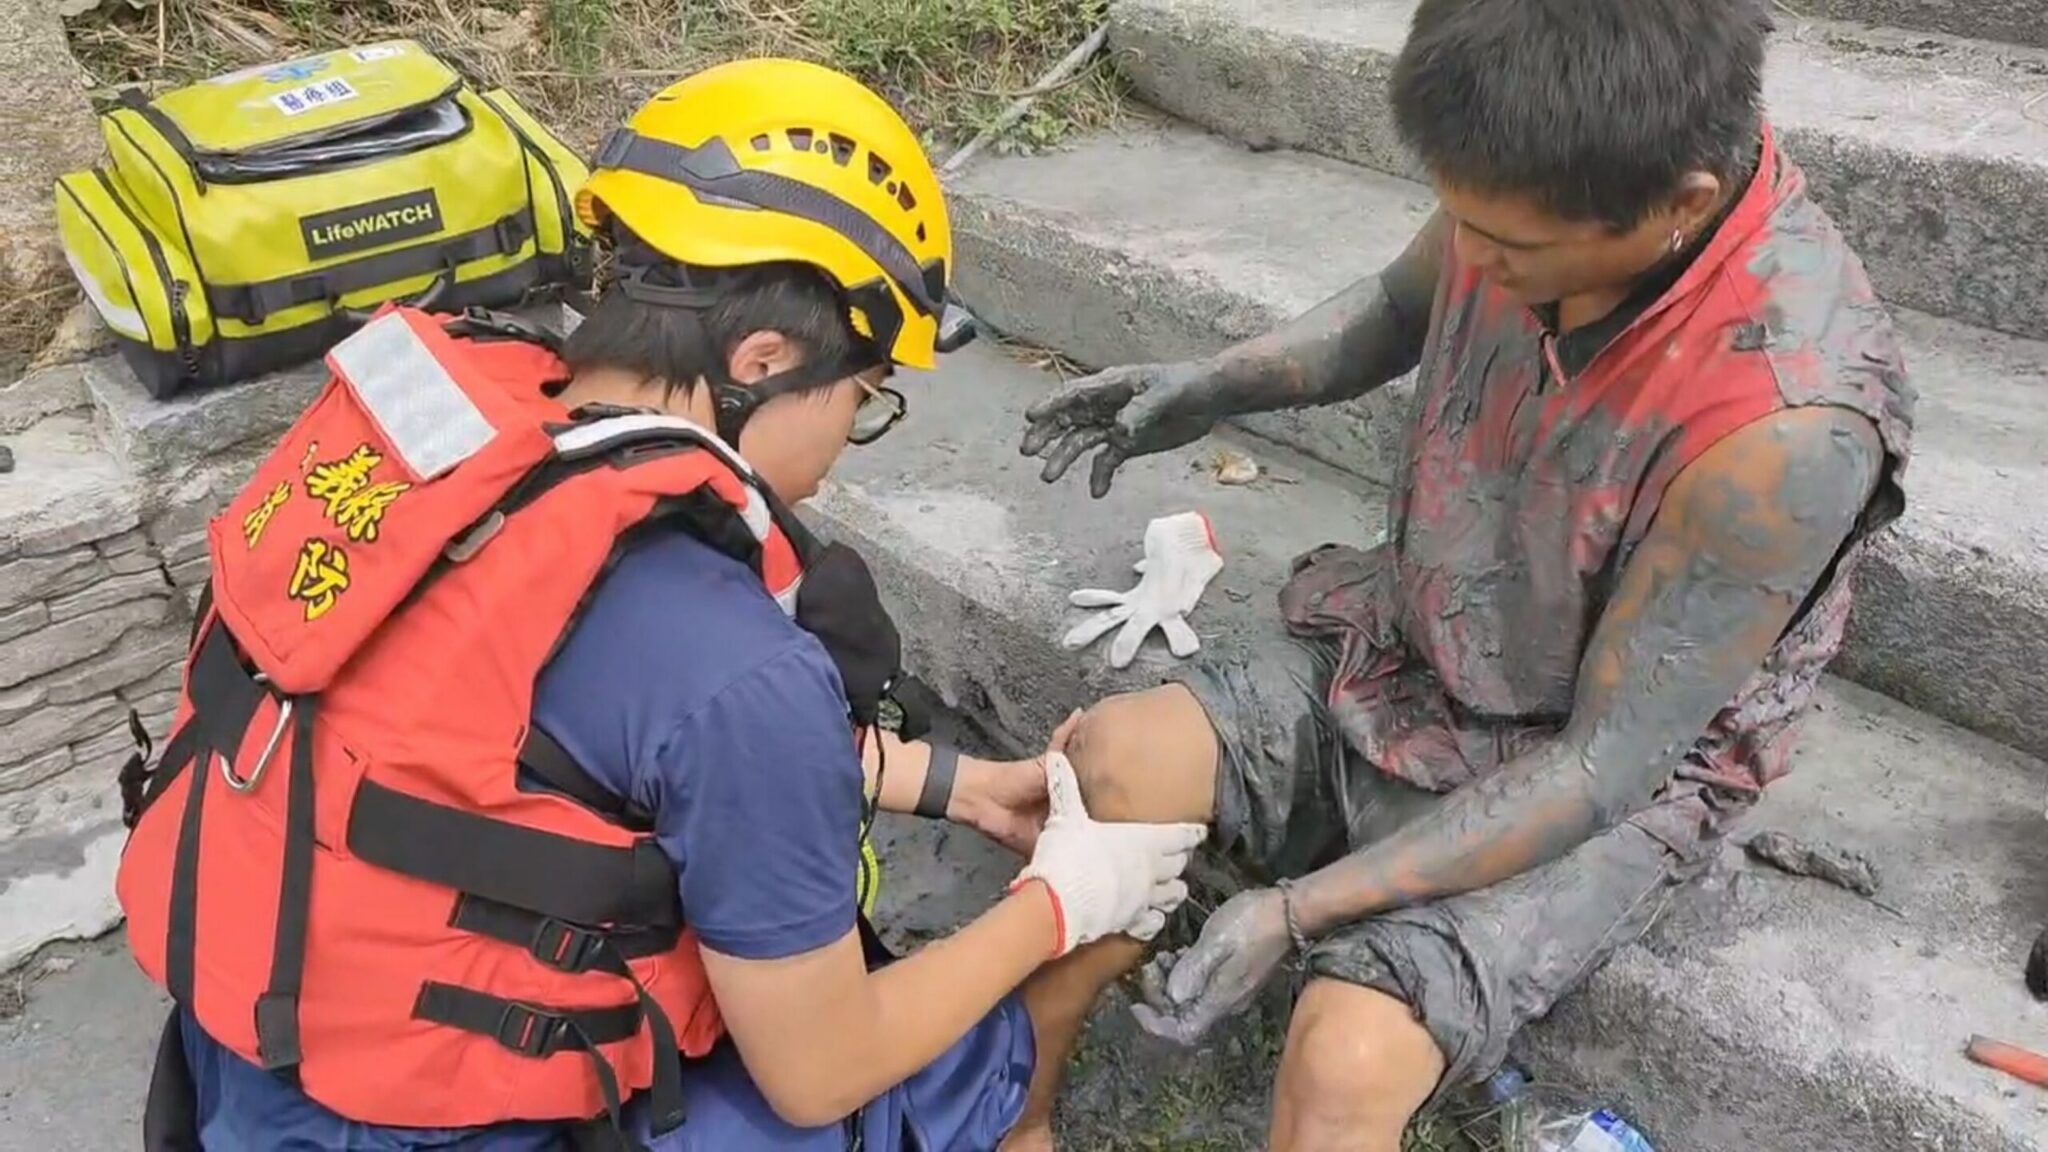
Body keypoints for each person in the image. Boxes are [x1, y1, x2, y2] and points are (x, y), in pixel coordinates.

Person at [113, 58, 1204, 1152]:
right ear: (762, 359)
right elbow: (819, 1071)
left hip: (257, 1056)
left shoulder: (445, 448)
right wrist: (1060, 899)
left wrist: (953, 783)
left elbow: (496, 747)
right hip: (441, 1121)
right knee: (953, 1063)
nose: (839, 455)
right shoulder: (733, 662)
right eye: (863, 402)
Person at [1005, 0, 1917, 1149]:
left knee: (1344, 1054)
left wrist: (1292, 912)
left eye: (1509, 248)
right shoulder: (1539, 185)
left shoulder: (1784, 425)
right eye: (1457, 219)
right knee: (1115, 759)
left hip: (1594, 768)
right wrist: (1213, 383)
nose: (1471, 261)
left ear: (1681, 205)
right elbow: (1396, 305)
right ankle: (1010, 1122)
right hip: (1416, 641)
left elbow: (1600, 766)